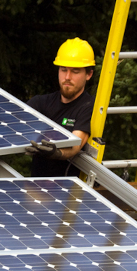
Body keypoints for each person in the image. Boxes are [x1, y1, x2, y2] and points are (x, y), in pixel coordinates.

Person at [25, 37, 95, 177]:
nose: (67, 77)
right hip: (36, 189)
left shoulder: (89, 106)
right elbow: (10, 121)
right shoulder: (41, 103)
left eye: (75, 71)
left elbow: (75, 145)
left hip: (68, 193)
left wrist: (56, 153)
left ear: (89, 74)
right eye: (63, 70)